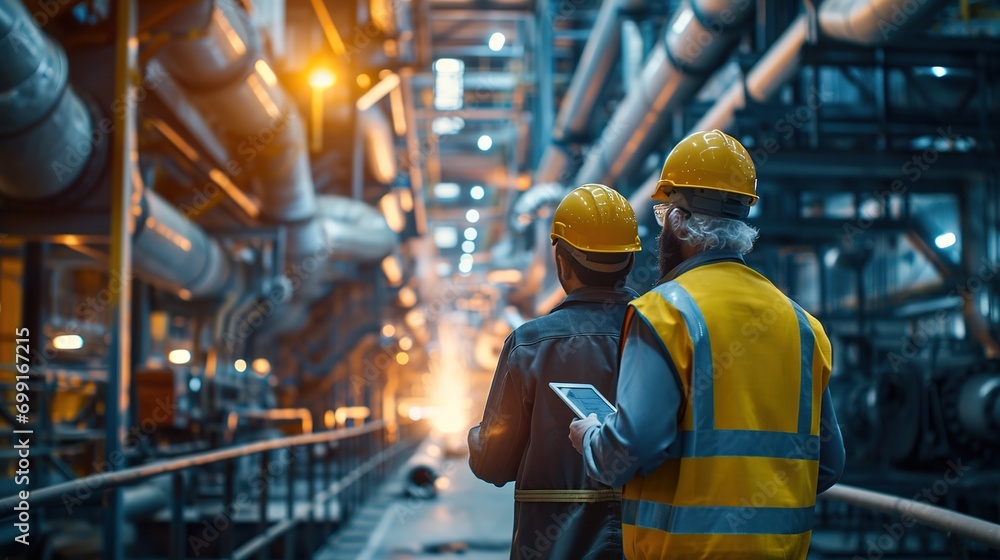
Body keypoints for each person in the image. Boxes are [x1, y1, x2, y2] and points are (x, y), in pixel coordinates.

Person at [569, 130, 846, 559]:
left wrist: (591, 437)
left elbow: (627, 453)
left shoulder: (664, 313)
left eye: (663, 215)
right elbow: (828, 464)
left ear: (678, 220)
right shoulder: (803, 326)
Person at [469, 184, 642, 560]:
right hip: (647, 544)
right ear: (630, 261)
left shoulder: (530, 344)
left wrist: (481, 435)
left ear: (561, 262)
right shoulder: (668, 335)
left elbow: (490, 464)